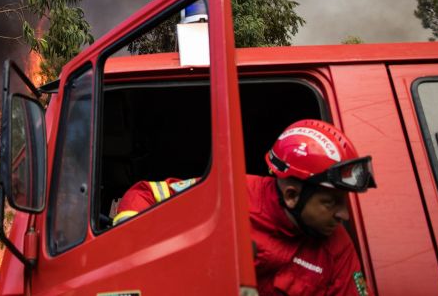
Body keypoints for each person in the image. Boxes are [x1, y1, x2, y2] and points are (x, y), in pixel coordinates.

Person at [113, 119, 375, 295]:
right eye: (332, 203)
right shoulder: (227, 195)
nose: (344, 215)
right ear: (293, 195)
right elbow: (145, 194)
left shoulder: (337, 248)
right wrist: (128, 245)